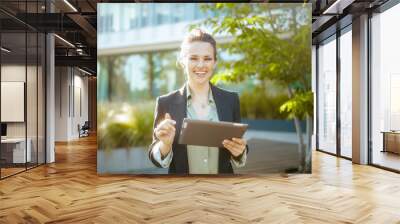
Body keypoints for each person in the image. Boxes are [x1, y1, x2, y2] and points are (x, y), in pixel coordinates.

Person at [148, 29, 248, 174]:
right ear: (183, 61)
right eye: (193, 58)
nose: (201, 65)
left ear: (214, 62)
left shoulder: (230, 100)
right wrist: (165, 144)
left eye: (207, 58)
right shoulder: (165, 103)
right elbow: (155, 156)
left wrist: (239, 151)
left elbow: (239, 147)